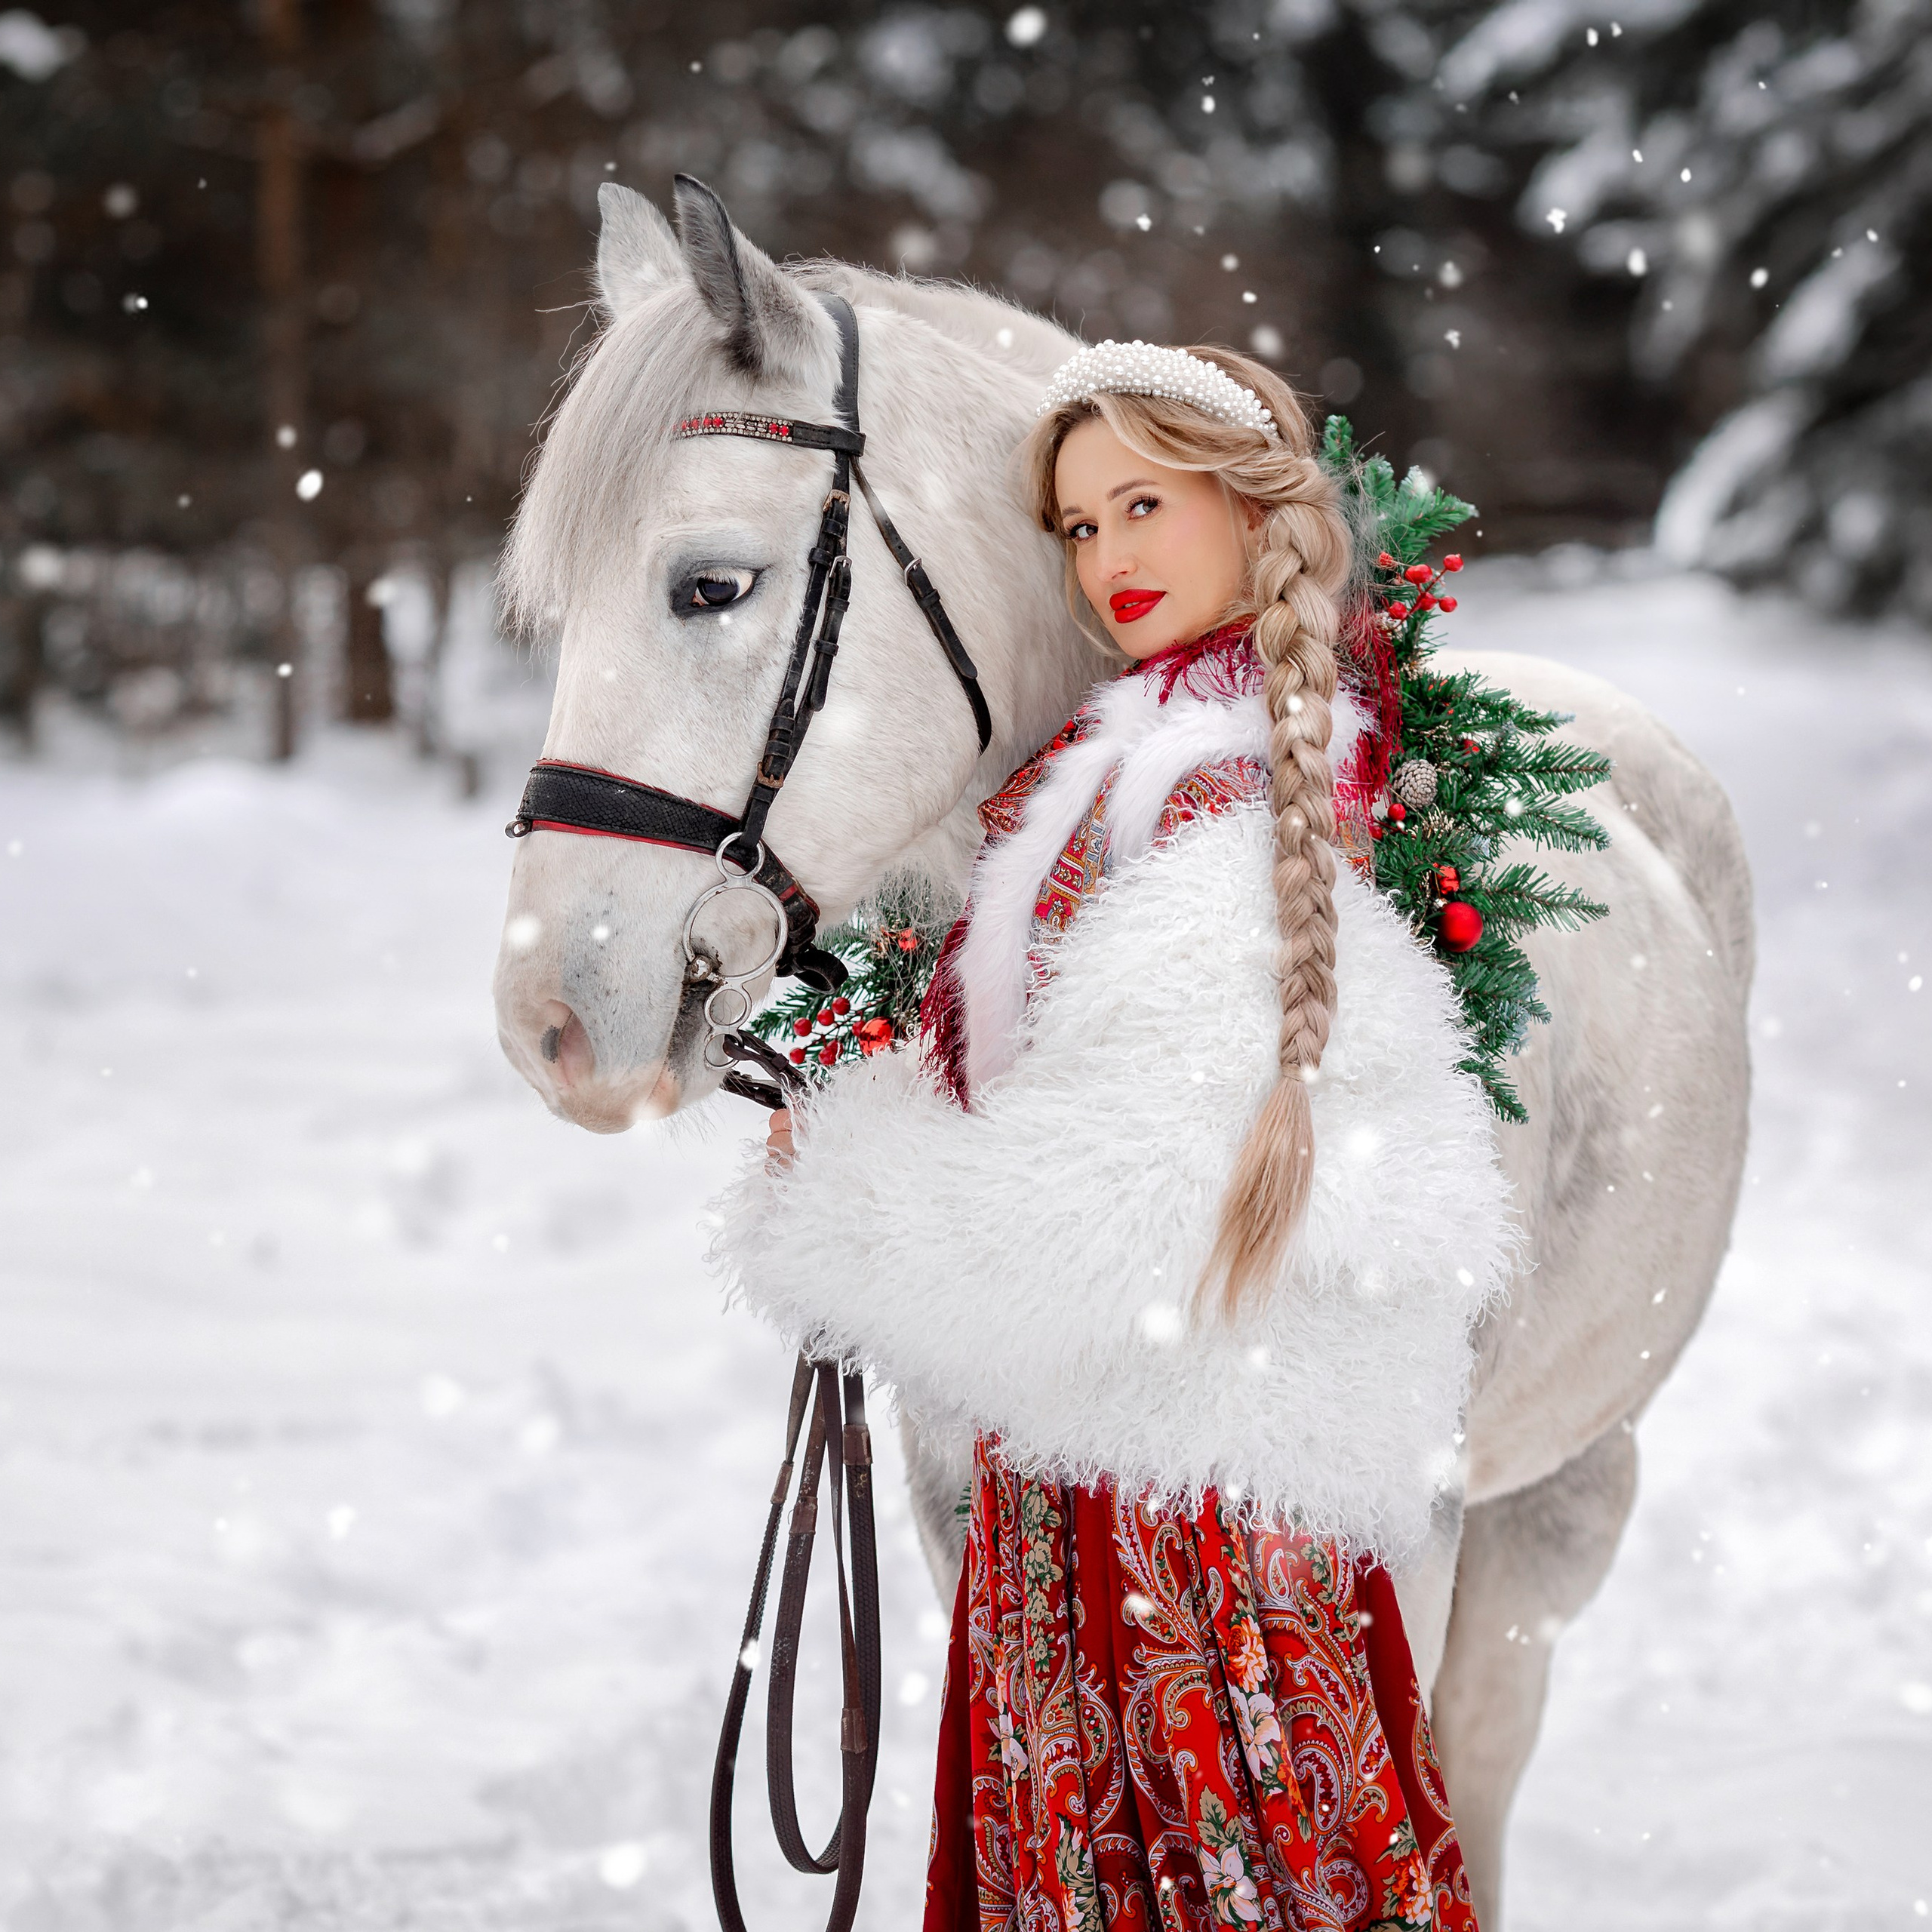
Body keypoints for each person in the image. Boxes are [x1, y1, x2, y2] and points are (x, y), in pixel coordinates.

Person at [719, 341, 1512, 1930]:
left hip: (1179, 1502)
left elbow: (1109, 1203)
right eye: (1078, 527)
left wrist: (846, 1196)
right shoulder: (1131, 748)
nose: (1107, 558)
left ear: (1249, 503)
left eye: (1142, 503)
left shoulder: (1224, 785)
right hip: (1112, 1457)